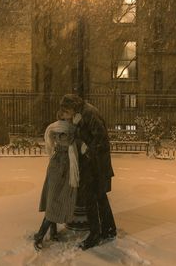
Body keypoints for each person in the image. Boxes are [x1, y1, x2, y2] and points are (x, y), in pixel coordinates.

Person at [60, 94, 116, 250]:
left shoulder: (88, 113)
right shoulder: (83, 113)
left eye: (66, 111)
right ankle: (109, 229)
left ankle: (95, 235)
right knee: (100, 197)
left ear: (72, 107)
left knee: (91, 198)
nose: (67, 115)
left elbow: (101, 139)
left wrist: (87, 148)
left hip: (96, 164)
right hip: (94, 163)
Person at [33, 111, 79, 251]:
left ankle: (53, 233)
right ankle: (39, 236)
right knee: (54, 200)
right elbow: (68, 140)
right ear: (62, 116)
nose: (70, 115)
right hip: (60, 167)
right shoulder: (60, 129)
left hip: (61, 166)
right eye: (67, 114)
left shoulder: (64, 128)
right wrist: (76, 126)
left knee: (54, 199)